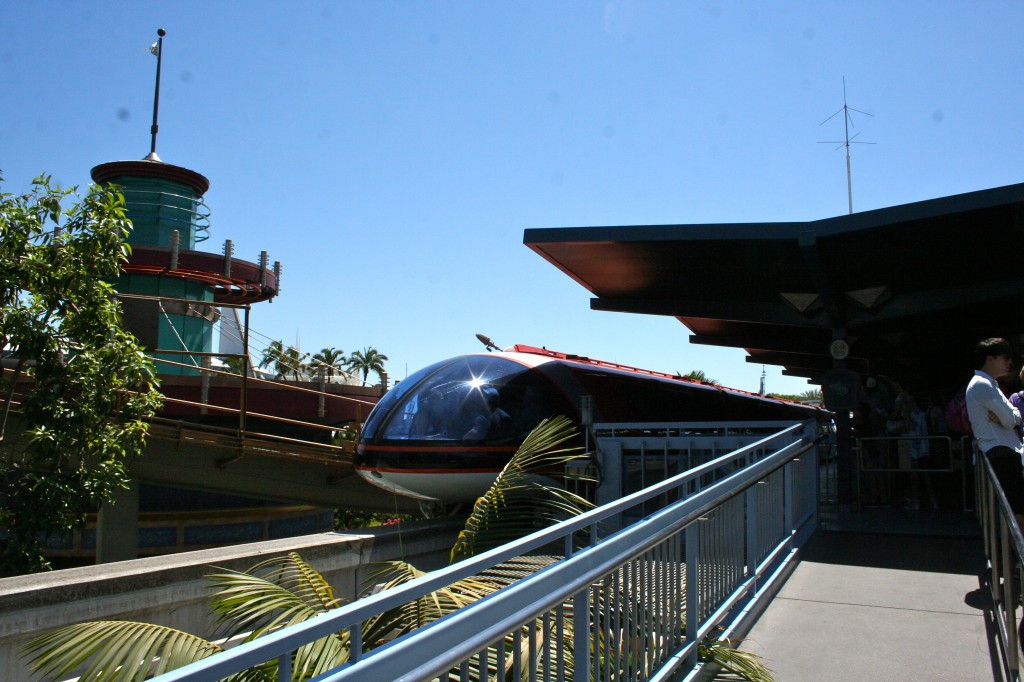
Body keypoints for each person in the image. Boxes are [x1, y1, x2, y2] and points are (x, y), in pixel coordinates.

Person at [966, 338, 1024, 525]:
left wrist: (1009, 416)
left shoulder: (990, 385)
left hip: (1004, 451)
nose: (1009, 362)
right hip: (1000, 452)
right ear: (990, 359)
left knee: (1015, 506)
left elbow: (1015, 417)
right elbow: (1010, 420)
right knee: (1016, 507)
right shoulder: (982, 385)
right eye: (1005, 357)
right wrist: (1009, 417)